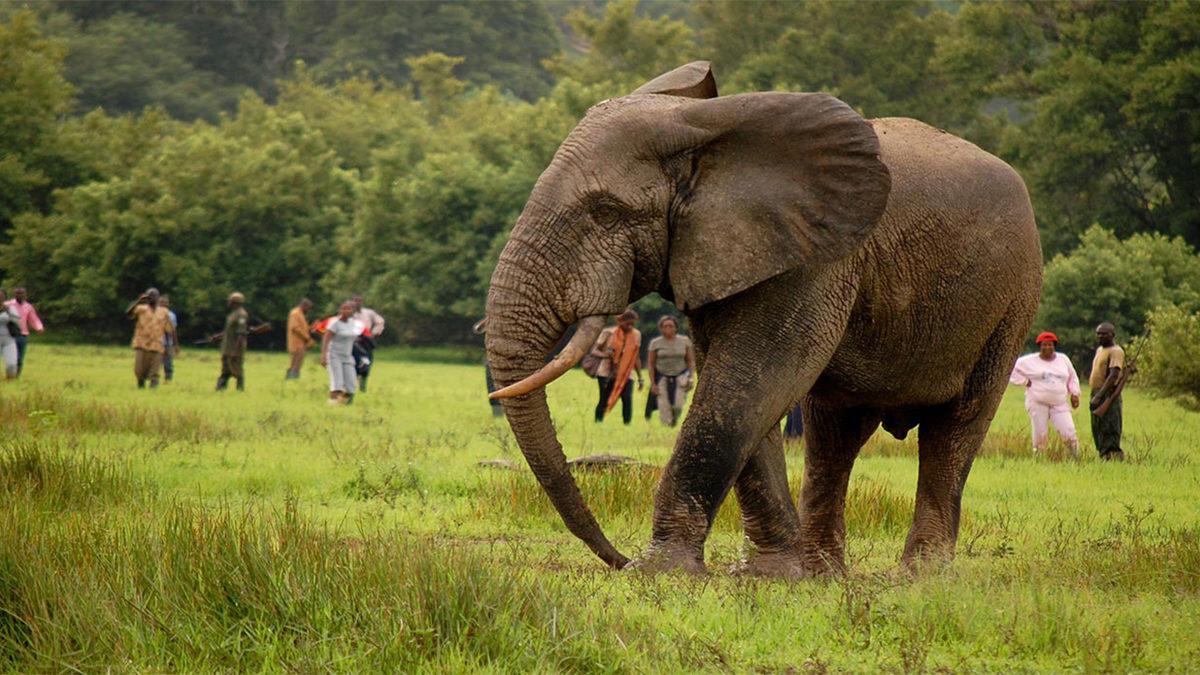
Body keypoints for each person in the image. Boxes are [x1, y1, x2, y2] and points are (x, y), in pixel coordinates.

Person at [1009, 331, 1081, 457]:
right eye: (1044, 345)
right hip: (1038, 402)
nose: (1047, 347)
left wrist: (1074, 393)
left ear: (1054, 346)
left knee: (1068, 432)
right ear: (1039, 346)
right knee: (1040, 434)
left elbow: (1072, 377)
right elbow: (1010, 370)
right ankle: (1039, 458)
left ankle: (1075, 457)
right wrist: (1025, 381)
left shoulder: (1063, 359)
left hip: (1059, 402)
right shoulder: (1028, 361)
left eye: (1050, 345)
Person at [590, 309, 643, 424]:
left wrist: (640, 377)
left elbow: (636, 357)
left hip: (627, 374)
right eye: (627, 323)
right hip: (607, 373)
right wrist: (606, 355)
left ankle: (627, 425)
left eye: (632, 324)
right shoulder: (608, 332)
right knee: (604, 400)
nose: (630, 326)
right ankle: (598, 423)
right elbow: (594, 351)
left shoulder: (636, 334)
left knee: (627, 399)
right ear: (620, 321)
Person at [211, 292, 269, 392]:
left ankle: (240, 390)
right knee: (225, 370)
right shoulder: (232, 314)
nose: (228, 302)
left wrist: (235, 351)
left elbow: (241, 334)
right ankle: (220, 389)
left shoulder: (242, 315)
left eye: (230, 300)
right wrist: (219, 336)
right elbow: (229, 330)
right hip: (227, 347)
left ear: (235, 302)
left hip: (234, 348)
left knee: (237, 371)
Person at [646, 315, 696, 427]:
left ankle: (674, 420)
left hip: (680, 376)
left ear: (676, 328)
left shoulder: (684, 341)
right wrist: (653, 384)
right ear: (661, 328)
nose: (668, 328)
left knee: (678, 405)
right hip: (662, 376)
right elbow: (650, 364)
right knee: (664, 406)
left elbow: (690, 361)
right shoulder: (655, 343)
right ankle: (667, 427)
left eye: (671, 326)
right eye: (665, 326)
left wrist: (691, 377)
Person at [1089, 322, 1126, 461]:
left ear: (1113, 335)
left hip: (1107, 394)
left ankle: (1113, 458)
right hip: (1096, 392)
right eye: (1098, 333)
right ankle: (1103, 456)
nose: (1100, 336)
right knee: (1097, 427)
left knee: (1109, 427)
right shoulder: (1100, 350)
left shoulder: (1116, 351)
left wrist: (1100, 395)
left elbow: (1113, 375)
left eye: (1104, 333)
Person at [321, 300, 369, 405]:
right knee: (336, 383)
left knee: (351, 386)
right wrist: (324, 355)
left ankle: (342, 404)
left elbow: (360, 338)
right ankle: (332, 406)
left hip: (347, 356)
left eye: (349, 309)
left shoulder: (354, 324)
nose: (346, 311)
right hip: (334, 355)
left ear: (353, 311)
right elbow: (326, 338)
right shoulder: (334, 323)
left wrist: (362, 355)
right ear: (340, 310)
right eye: (343, 308)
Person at [125, 288, 173, 389]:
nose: (152, 298)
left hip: (157, 344)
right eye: (149, 296)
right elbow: (128, 314)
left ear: (158, 298)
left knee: (155, 370)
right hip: (141, 343)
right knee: (139, 369)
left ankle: (153, 389)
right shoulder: (141, 308)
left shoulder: (164, 311)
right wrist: (138, 301)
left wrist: (169, 346)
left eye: (154, 296)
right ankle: (141, 386)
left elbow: (168, 329)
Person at [4, 287, 44, 376]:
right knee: (12, 358)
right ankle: (10, 375)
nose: (20, 295)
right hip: (9, 335)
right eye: (18, 293)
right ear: (14, 295)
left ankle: (16, 376)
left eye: (22, 293)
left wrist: (39, 327)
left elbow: (33, 319)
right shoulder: (8, 305)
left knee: (20, 359)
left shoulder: (28, 307)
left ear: (25, 295)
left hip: (23, 335)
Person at [350, 294, 385, 392]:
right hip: (351, 340)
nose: (357, 303)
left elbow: (380, 321)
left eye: (359, 301)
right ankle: (351, 385)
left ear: (362, 302)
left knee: (367, 363)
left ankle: (363, 386)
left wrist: (373, 334)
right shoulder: (347, 312)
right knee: (353, 363)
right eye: (355, 301)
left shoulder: (368, 313)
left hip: (365, 341)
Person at [286, 298, 315, 379]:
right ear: (304, 306)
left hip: (301, 344)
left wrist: (312, 327)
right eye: (308, 308)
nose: (309, 310)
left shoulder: (300, 314)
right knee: (295, 363)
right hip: (296, 343)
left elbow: (303, 328)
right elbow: (295, 328)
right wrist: (308, 338)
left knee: (298, 363)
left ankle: (292, 379)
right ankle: (292, 379)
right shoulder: (295, 313)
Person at [0, 290, 22, 380]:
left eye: (1, 296)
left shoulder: (9, 308)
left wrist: (9, 316)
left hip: (8, 339)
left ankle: (10, 380)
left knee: (12, 364)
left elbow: (17, 319)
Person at [159, 295, 179, 382]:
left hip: (168, 343)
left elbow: (173, 331)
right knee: (155, 363)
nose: (164, 304)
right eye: (162, 302)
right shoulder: (154, 314)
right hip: (156, 343)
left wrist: (176, 344)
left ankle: (168, 380)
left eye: (166, 302)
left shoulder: (171, 315)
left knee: (168, 363)